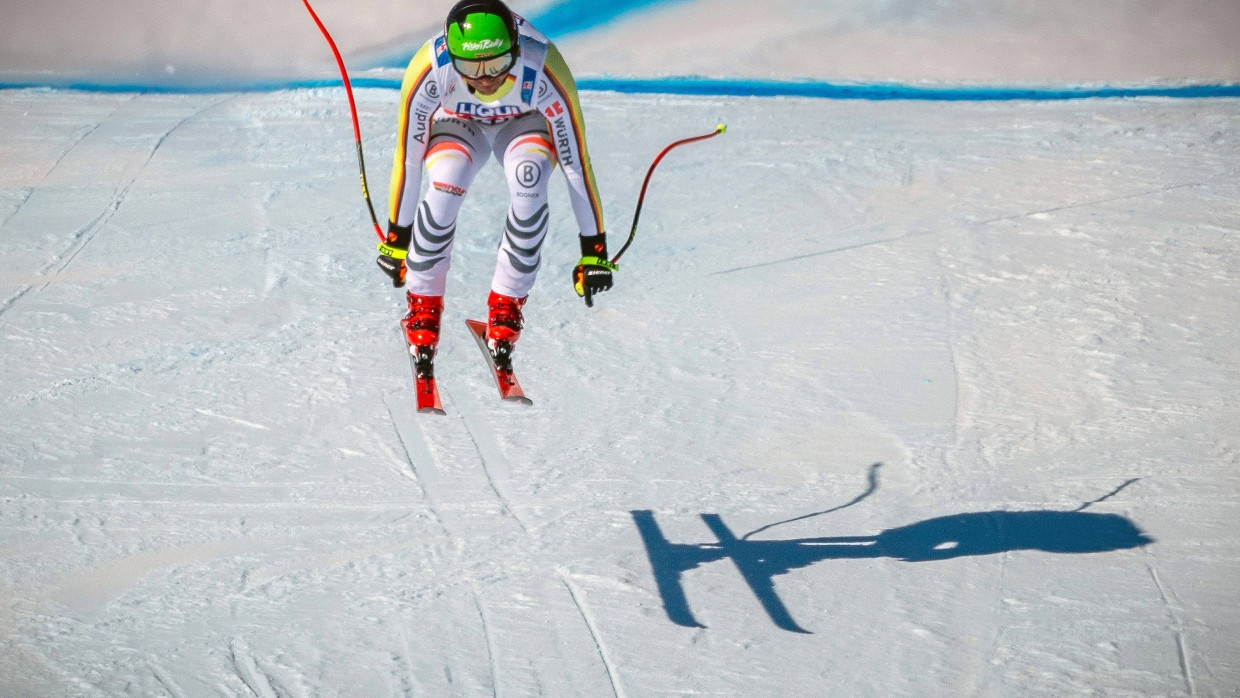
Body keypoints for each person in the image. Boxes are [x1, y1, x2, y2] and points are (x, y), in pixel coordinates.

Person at [377, 0, 615, 370]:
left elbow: (575, 161)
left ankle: (506, 306)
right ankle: (423, 304)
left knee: (529, 179)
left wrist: (593, 250)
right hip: (459, 125)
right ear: (451, 56)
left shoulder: (544, 67)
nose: (485, 78)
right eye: (470, 67)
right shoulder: (429, 70)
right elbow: (407, 159)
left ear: (517, 49)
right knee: (445, 183)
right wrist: (397, 240)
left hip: (522, 124)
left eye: (498, 64)